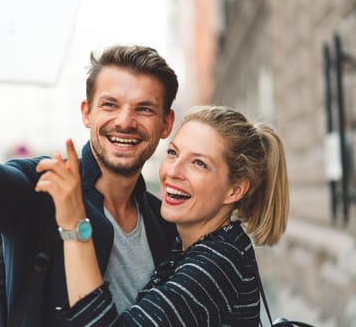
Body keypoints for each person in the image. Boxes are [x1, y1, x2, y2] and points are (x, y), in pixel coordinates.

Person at [0, 0, 179, 326]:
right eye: (110, 105)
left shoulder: (165, 223)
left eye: (144, 109)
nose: (125, 121)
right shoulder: (43, 187)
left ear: (166, 124)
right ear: (87, 113)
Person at [36, 105, 289, 326]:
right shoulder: (196, 243)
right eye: (173, 153)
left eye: (198, 163)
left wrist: (74, 224)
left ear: (234, 190)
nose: (173, 172)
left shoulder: (217, 262)